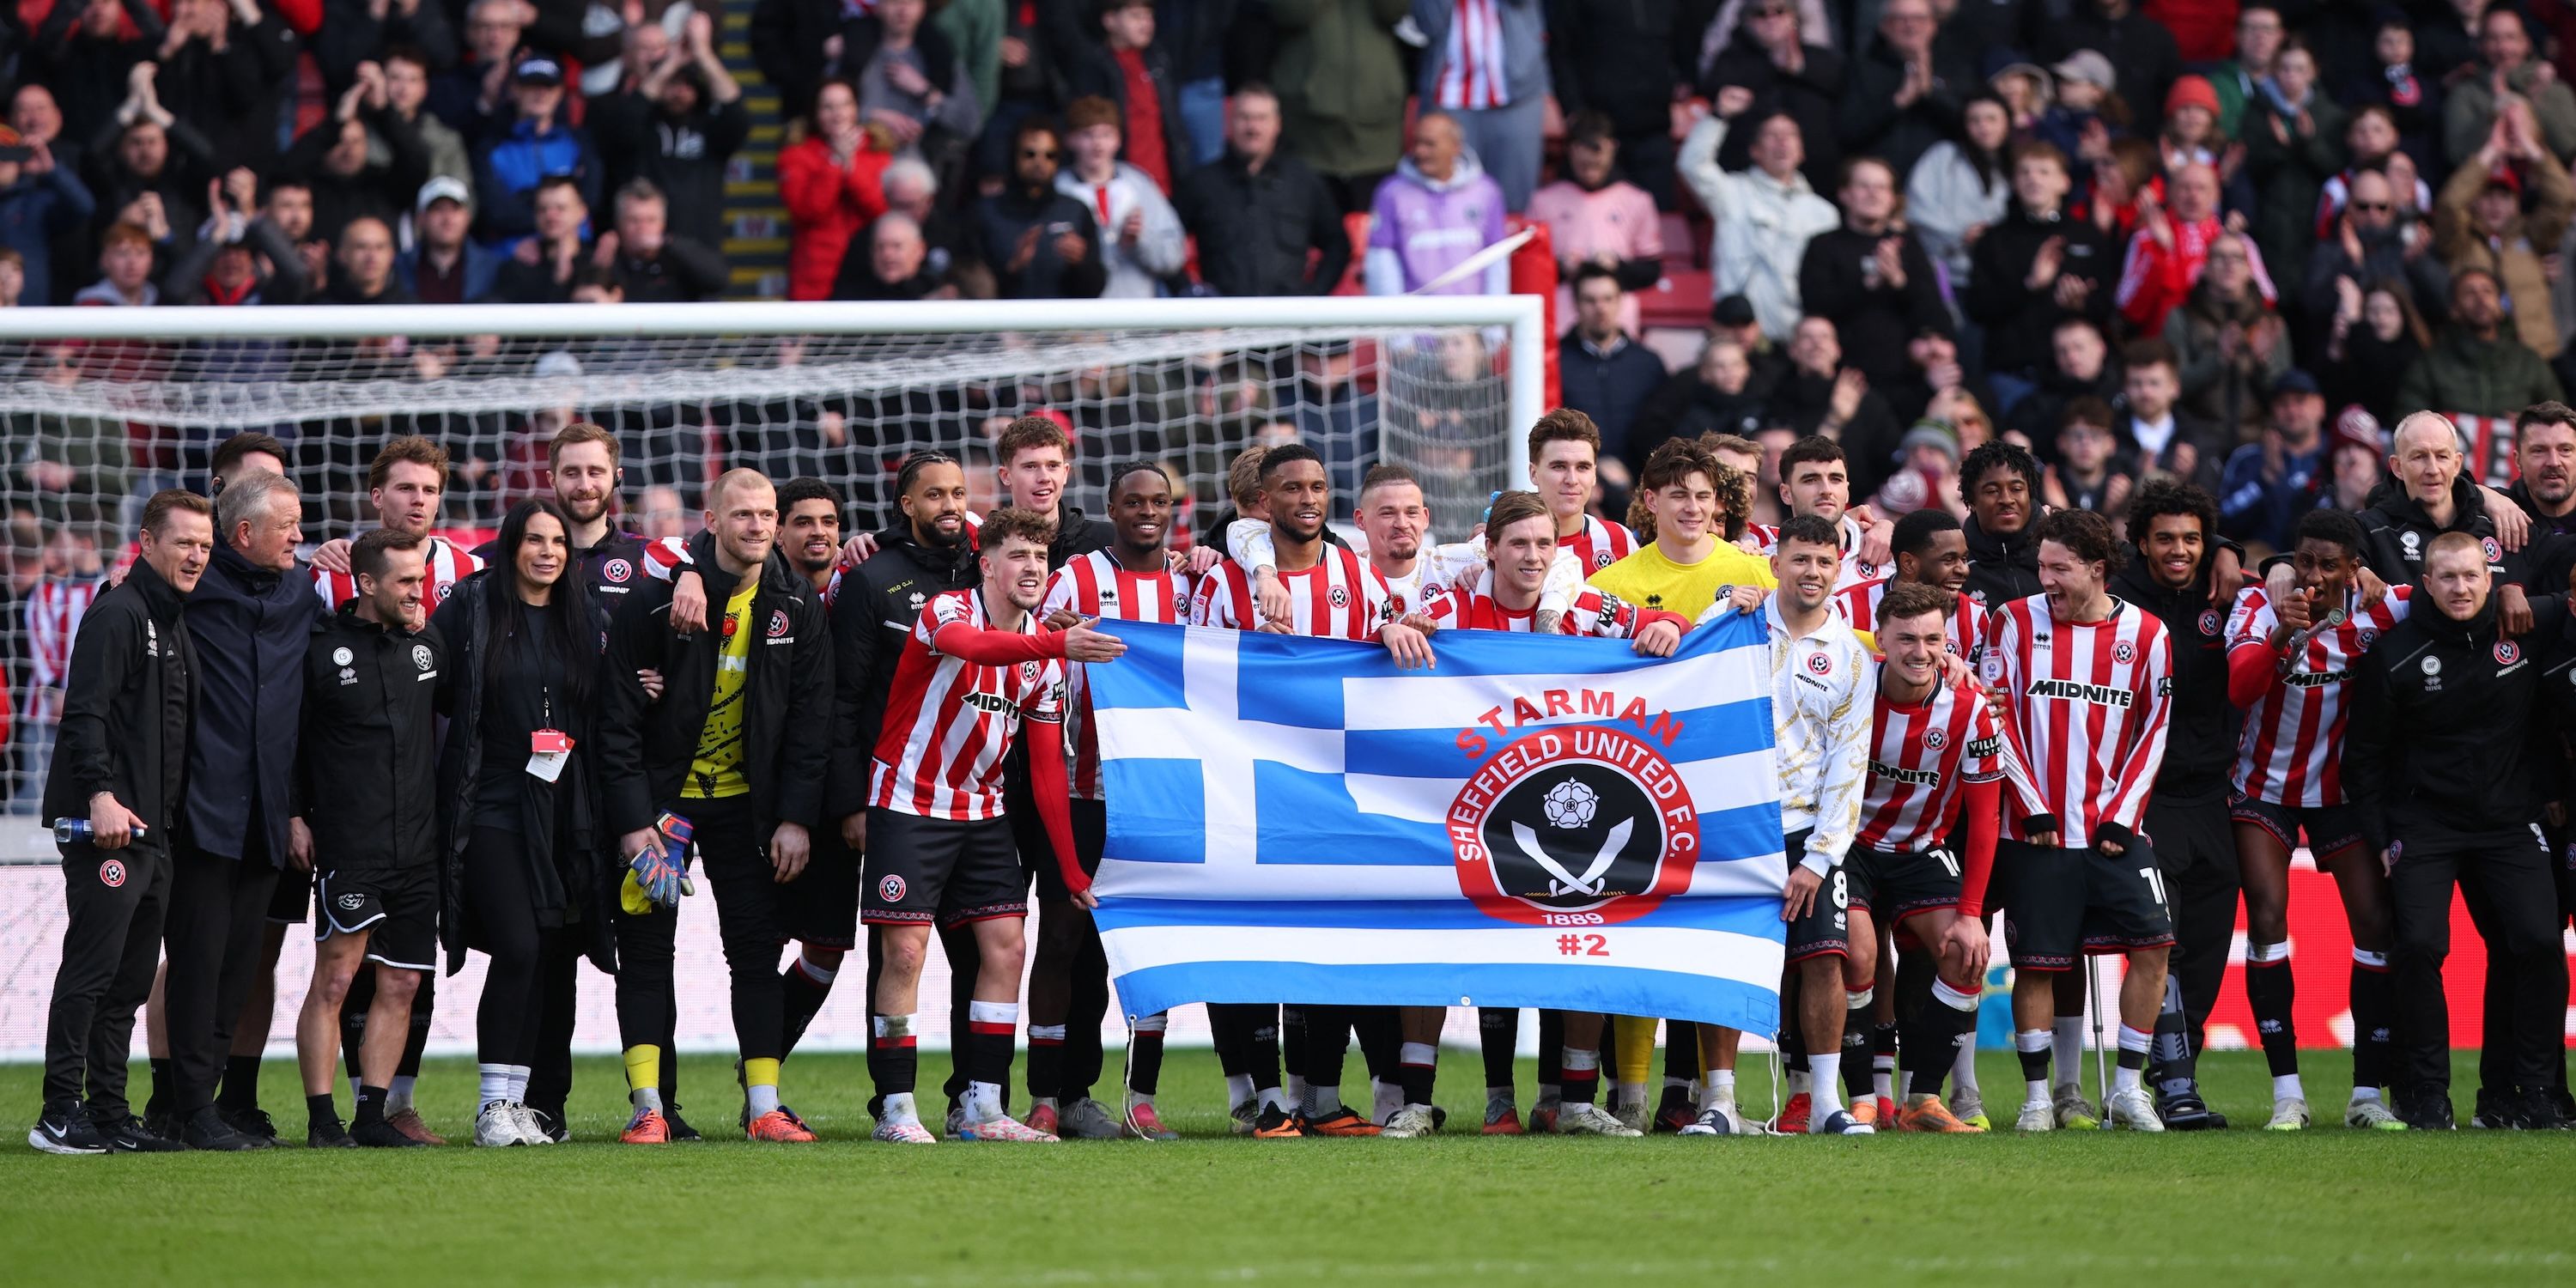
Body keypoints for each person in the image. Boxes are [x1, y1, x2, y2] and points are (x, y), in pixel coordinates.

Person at [1189, 445, 1434, 1138]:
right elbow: (1193, 678)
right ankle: (1265, 1098)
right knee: (1252, 941)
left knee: (1328, 938)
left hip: (1333, 791)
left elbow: (1382, 641)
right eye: (1291, 488)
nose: (1307, 498)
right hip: (1249, 789)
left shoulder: (1354, 572)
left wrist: (1391, 629)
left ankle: (1321, 1098)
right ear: (1262, 503)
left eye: (1318, 487)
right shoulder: (1228, 585)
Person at [866, 507, 1123, 1143]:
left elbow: (1042, 771)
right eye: (1018, 556)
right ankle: (896, 1110)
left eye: (1041, 558)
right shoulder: (948, 612)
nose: (1032, 568)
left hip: (983, 812)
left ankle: (982, 1108)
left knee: (1008, 949)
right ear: (987, 565)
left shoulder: (1043, 659)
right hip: (909, 801)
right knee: (904, 952)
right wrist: (1056, 642)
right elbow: (975, 648)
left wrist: (1067, 865)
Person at [597, 471, 835, 1144]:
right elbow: (615, 724)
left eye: (766, 515)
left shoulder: (796, 605)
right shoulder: (655, 599)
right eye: (743, 515)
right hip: (662, 809)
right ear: (712, 518)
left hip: (748, 810)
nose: (757, 526)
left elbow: (812, 723)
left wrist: (795, 817)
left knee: (756, 955)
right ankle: (648, 1108)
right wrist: (632, 823)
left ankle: (764, 1106)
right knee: (645, 954)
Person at [2347, 531, 2573, 1131]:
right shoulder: (2393, 655)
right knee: (2419, 946)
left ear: (2492, 579)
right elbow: (2362, 761)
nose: (2461, 588)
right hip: (2425, 825)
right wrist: (2380, 842)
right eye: (2447, 577)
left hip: (2508, 822)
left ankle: (2532, 1092)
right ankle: (2424, 1093)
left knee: (2539, 943)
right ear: (2426, 583)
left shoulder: (2526, 626)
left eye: (2472, 576)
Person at [1983, 507, 2175, 1133]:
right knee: (2038, 964)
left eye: (2059, 569)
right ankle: (2039, 1100)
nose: (2047, 581)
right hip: (2035, 832)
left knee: (2154, 947)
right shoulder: (2011, 623)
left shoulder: (2148, 635)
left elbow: (2154, 730)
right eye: (2041, 568)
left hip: (2113, 833)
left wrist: (2122, 817)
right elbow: (1996, 718)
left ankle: (2127, 1090)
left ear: (2097, 570)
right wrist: (2031, 802)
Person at [29, 489, 210, 1155]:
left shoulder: (172, 620)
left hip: (152, 833)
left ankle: (108, 1111)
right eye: (184, 541)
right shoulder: (119, 614)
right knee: (92, 969)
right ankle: (56, 1113)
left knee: (129, 982)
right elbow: (84, 713)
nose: (195, 555)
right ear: (148, 542)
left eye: (204, 546)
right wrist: (99, 795)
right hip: (106, 826)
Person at [2221, 507, 2409, 1132]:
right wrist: (2280, 633)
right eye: (2304, 561)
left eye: (2331, 565)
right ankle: (2287, 1094)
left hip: (2340, 793)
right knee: (2269, 917)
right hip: (2262, 788)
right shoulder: (2256, 606)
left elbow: (2451, 591)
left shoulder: (2379, 610)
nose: (2315, 576)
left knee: (2377, 926)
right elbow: (2240, 690)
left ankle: (2366, 1095)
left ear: (2354, 569)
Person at [1687, 513, 1873, 1136]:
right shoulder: (1732, 627)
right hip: (1730, 825)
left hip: (1804, 831)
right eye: (1800, 560)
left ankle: (1824, 1103)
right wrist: (1716, 613)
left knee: (1825, 962)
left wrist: (1820, 858)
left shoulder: (1851, 655)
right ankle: (1719, 1103)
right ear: (1776, 564)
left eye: (1824, 562)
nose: (1812, 572)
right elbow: (1682, 683)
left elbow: (1851, 763)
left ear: (1838, 570)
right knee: (1720, 958)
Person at [155, 469, 319, 1150]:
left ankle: (203, 1106)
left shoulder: (301, 591)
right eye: (290, 526)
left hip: (268, 814)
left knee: (240, 965)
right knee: (196, 962)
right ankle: (183, 1107)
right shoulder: (188, 591)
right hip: (199, 812)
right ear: (245, 532)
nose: (300, 537)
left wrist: (296, 809)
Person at [1029, 464, 1189, 1141]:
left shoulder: (1192, 586)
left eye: (1159, 503)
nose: (1147, 513)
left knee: (1146, 943)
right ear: (1111, 510)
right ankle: (1047, 1094)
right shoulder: (1076, 578)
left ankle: (1137, 1096)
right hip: (1081, 789)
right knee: (1066, 939)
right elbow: (1036, 647)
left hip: (1165, 795)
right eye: (1134, 503)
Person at [1826, 579, 2008, 1134]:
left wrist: (1973, 914)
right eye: (1906, 639)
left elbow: (1986, 821)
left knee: (1965, 952)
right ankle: (1861, 1100)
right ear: (1879, 638)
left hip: (1921, 849)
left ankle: (1922, 1101)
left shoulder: (1972, 709)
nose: (1920, 652)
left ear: (1948, 641)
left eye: (1933, 639)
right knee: (1859, 956)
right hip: (1848, 845)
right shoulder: (1850, 686)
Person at [293, 528, 441, 1149]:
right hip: (350, 844)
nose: (419, 592)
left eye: (421, 580)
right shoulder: (320, 647)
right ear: (368, 583)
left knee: (402, 983)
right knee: (335, 980)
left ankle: (372, 1117)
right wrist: (296, 816)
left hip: (419, 847)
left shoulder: (428, 645)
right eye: (406, 582)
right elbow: (287, 743)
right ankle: (323, 1119)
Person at [2104, 479, 2238, 1132]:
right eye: (2165, 539)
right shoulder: (2121, 606)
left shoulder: (2228, 597)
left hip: (2215, 796)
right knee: (2164, 944)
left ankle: (2177, 1070)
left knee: (2208, 948)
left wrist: (2248, 558)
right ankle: (2177, 1086)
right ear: (2139, 544)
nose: (2180, 550)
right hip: (2146, 796)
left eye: (2192, 538)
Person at [1679, 97, 1840, 341]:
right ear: (1755, 150)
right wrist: (1718, 117)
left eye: (1790, 135)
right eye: (1772, 135)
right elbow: (1691, 165)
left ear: (1802, 150)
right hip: (1738, 336)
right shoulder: (1731, 192)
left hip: (1795, 340)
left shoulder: (1823, 213)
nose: (1782, 142)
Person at [586, 10, 748, 253]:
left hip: (697, 251)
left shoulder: (708, 122)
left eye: (687, 83)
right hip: (634, 252)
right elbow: (622, 129)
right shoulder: (621, 110)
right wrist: (668, 65)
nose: (679, 90)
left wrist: (703, 54)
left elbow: (738, 116)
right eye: (673, 82)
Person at [1172, 82, 1349, 298]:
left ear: (1277, 124)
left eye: (1261, 118)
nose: (1253, 128)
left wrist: (1313, 295)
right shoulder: (1202, 183)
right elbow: (1163, 242)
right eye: (1244, 117)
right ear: (1229, 122)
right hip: (1222, 321)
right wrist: (1191, 296)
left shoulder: (1303, 180)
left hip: (1288, 321)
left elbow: (1337, 244)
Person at [2434, 107, 2574, 363]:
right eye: (2488, 196)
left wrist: (2530, 147)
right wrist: (2491, 150)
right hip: (2478, 360)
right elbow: (2449, 206)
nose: (2496, 205)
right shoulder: (2460, 242)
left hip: (2539, 356)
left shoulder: (2532, 235)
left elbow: (2564, 198)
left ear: (2517, 203)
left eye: (2504, 196)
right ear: (2475, 201)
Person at [1796, 155, 1948, 387]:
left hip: (1905, 375)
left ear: (1892, 199)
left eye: (1881, 187)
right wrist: (1867, 284)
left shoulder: (1908, 245)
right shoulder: (1823, 245)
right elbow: (1816, 305)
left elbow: (1934, 312)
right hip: (1844, 374)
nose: (1873, 194)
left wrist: (1899, 281)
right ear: (1844, 194)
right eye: (1864, 186)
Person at [1590, 437, 1775, 623]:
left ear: (1713, 500)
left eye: (1703, 497)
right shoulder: (1608, 587)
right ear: (1651, 501)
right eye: (1679, 496)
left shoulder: (1760, 573)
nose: (1693, 508)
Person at [1528, 112, 1663, 334]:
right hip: (1563, 311)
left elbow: (1651, 269)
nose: (1591, 172)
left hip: (1616, 310)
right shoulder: (1544, 201)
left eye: (1597, 165)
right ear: (1571, 151)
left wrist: (1617, 266)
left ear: (1612, 148)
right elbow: (1530, 269)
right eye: (1584, 165)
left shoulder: (1637, 200)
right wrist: (1561, 266)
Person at [1409, 0, 1548, 212]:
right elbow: (1428, 23)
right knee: (1450, 200)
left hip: (1517, 93)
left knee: (1514, 204)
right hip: (1449, 94)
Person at [1364, 110, 1508, 296]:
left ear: (1456, 147)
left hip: (1473, 319)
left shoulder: (1486, 191)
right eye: (1416, 143)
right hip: (1416, 321)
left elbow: (1496, 260)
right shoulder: (1391, 193)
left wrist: (1494, 321)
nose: (1420, 151)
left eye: (1430, 144)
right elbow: (1382, 260)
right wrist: (1393, 318)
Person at [1053, 96, 1183, 299]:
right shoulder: (1058, 188)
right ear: (1070, 139)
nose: (1098, 144)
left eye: (1106, 134)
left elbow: (1173, 257)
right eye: (1087, 134)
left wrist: (1141, 239)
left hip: (1134, 316)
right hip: (1078, 318)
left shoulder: (1139, 184)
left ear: (1118, 139)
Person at [966, 116, 1106, 300]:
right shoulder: (984, 212)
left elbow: (1094, 289)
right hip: (1003, 324)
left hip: (1063, 325)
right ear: (1014, 155)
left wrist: (1081, 263)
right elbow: (967, 286)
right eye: (1030, 154)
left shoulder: (1077, 211)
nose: (1040, 163)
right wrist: (1012, 268)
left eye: (1050, 155)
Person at [2395, 268, 2566, 417]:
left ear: (2500, 306)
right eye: (2470, 293)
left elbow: (2558, 417)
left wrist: (2527, 424)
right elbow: (2409, 419)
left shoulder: (2528, 361)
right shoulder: (2432, 364)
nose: (2481, 299)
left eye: (2488, 291)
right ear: (2454, 309)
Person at [471, 56, 601, 246]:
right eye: (531, 86)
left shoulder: (579, 142)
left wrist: (525, 199)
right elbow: (496, 213)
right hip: (513, 255)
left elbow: (591, 201)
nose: (541, 93)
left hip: (577, 254)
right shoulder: (490, 148)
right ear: (515, 90)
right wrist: (560, 214)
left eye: (549, 86)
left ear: (560, 93)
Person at [778, 79, 889, 302]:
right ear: (815, 113)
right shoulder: (796, 155)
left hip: (868, 271)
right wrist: (835, 163)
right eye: (828, 107)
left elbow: (883, 211)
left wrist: (852, 170)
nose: (838, 114)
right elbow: (807, 212)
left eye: (845, 105)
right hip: (815, 275)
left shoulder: (878, 151)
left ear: (856, 108)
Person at [1557, 264, 1668, 470]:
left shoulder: (1649, 363)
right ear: (1576, 303)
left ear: (1620, 301)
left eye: (1608, 299)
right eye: (1590, 300)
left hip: (1641, 484)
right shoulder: (1554, 360)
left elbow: (1662, 432)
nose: (1600, 308)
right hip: (1575, 479)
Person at [2443, 5, 2576, 169]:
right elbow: (2457, 154)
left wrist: (2533, 100)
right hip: (2489, 187)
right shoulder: (2465, 92)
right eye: (2493, 39)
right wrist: (2497, 109)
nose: (2503, 48)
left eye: (2511, 38)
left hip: (2547, 186)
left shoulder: (2555, 89)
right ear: (2481, 45)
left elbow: (2568, 149)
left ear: (2526, 43)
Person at [2217, 371, 2330, 552]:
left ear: (2321, 406)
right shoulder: (2249, 458)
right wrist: (2264, 480)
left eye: (2300, 401)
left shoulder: (2337, 457)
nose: (2292, 411)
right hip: (2256, 568)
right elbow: (2224, 517)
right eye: (2283, 404)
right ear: (2272, 411)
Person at [397, 177, 501, 304]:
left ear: (467, 217)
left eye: (455, 209)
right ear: (421, 218)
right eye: (438, 209)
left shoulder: (493, 268)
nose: (447, 219)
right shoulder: (398, 268)